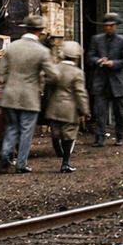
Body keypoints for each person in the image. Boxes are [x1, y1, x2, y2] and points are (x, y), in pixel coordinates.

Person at [0, 15, 57, 174]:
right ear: (40, 31)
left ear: (26, 28)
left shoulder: (12, 47)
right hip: (29, 97)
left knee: (11, 128)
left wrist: (8, 82)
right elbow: (53, 75)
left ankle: (5, 156)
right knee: (26, 130)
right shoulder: (42, 51)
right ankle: (21, 164)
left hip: (9, 96)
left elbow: (1, 71)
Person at [86, 12, 123, 147]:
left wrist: (113, 64)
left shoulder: (122, 41)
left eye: (111, 26)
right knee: (100, 112)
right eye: (106, 26)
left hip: (117, 82)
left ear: (116, 26)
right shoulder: (96, 39)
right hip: (100, 82)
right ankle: (99, 138)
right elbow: (89, 57)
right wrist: (99, 60)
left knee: (119, 113)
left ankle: (119, 137)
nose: (108, 28)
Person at [44, 40, 90, 173]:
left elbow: (48, 86)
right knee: (69, 136)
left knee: (56, 133)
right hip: (69, 110)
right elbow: (80, 93)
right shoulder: (77, 73)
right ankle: (65, 163)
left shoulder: (55, 68)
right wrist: (85, 110)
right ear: (76, 57)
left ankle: (58, 151)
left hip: (53, 107)